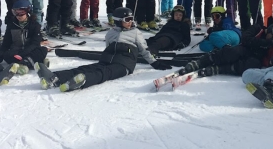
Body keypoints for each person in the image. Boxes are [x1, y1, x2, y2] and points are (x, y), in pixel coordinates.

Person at [35, 7, 172, 91]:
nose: (131, 21)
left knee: (104, 73)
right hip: (107, 60)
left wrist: (155, 63)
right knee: (87, 68)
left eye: (131, 18)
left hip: (124, 65)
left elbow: (144, 50)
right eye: (127, 19)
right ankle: (54, 78)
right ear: (119, 20)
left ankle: (81, 81)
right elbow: (108, 48)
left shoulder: (135, 33)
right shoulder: (110, 33)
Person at [179, 21, 273, 77]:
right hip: (245, 48)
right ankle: (202, 61)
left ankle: (221, 69)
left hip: (255, 57)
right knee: (233, 52)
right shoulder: (257, 29)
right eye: (271, 36)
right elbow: (245, 39)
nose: (271, 39)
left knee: (253, 65)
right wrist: (264, 42)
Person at [0, 0, 48, 73]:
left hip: (30, 51)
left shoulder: (34, 25)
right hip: (16, 51)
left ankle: (24, 63)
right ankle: (33, 62)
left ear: (28, 13)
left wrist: (22, 54)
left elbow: (35, 43)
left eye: (21, 14)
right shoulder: (11, 25)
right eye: (16, 13)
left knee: (43, 50)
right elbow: (6, 43)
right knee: (7, 54)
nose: (18, 16)